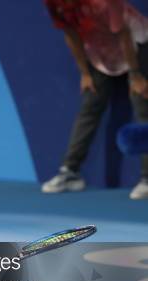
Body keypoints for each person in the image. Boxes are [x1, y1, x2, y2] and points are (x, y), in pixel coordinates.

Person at [41, 0, 148, 199]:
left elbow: (124, 34)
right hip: (102, 54)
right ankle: (70, 172)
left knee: (143, 108)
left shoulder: (104, 3)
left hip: (138, 45)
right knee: (90, 106)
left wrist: (135, 75)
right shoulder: (53, 3)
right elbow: (70, 34)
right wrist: (85, 73)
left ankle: (147, 178)